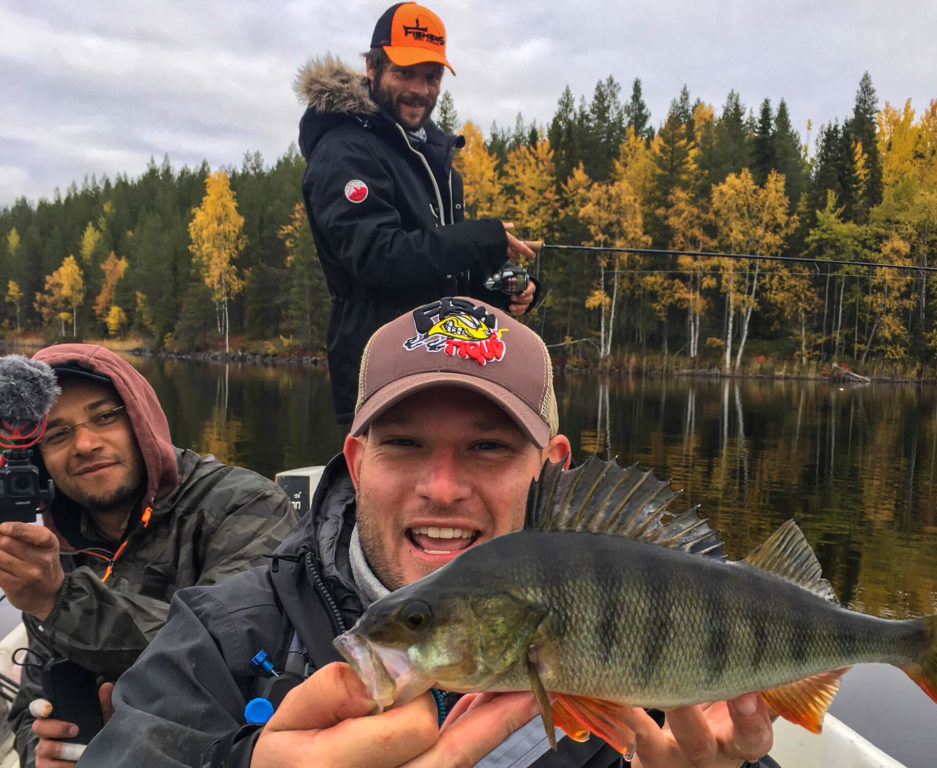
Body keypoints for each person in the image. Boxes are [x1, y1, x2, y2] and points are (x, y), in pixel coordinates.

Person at [76, 297, 778, 768]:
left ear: (552, 470)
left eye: (490, 448)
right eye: (405, 444)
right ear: (356, 462)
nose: (442, 487)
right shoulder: (224, 637)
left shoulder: (651, 643)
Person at [0, 344, 298, 767]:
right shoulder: (57, 549)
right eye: (58, 433)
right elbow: (31, 705)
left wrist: (59, 600)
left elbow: (233, 652)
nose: (85, 444)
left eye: (105, 417)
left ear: (140, 420)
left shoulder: (246, 505)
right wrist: (46, 752)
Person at [295, 1, 541, 425]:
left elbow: (439, 276)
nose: (420, 90)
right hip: (381, 375)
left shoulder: (431, 159)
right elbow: (377, 258)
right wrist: (478, 239)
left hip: (443, 367)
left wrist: (502, 291)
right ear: (372, 68)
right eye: (403, 72)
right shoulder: (344, 151)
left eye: (431, 76)